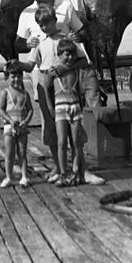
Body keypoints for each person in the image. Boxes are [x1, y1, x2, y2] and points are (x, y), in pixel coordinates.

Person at [16, 4, 90, 184]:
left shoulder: (66, 40)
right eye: (41, 25)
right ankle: (60, 168)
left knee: (74, 133)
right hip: (45, 85)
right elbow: (30, 65)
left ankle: (77, 170)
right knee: (51, 126)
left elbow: (83, 62)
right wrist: (16, 65)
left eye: (47, 23)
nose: (44, 27)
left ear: (55, 21)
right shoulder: (39, 43)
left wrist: (65, 66)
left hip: (65, 88)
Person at [47, 38, 86, 186]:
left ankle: (75, 172)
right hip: (60, 107)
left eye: (72, 55)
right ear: (59, 54)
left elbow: (86, 62)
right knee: (62, 142)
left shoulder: (75, 68)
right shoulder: (54, 70)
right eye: (66, 55)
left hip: (75, 106)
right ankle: (63, 173)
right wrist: (50, 108)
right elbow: (46, 87)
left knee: (76, 141)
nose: (70, 58)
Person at [0, 60, 33, 188]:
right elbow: (0, 109)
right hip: (9, 127)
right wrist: (10, 120)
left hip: (22, 128)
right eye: (13, 76)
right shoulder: (5, 93)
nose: (16, 79)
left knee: (22, 153)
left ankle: (24, 176)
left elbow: (30, 110)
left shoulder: (25, 94)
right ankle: (8, 176)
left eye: (19, 76)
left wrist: (26, 122)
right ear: (7, 77)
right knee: (9, 153)